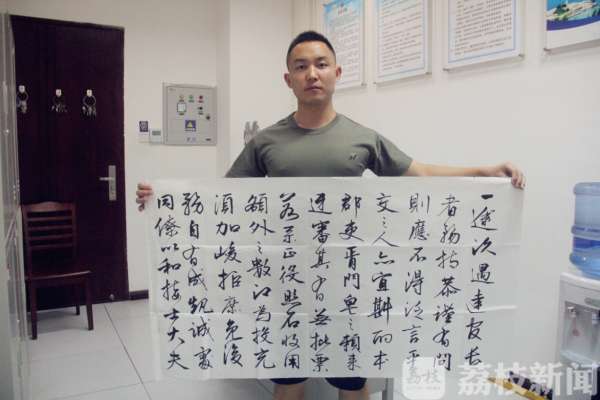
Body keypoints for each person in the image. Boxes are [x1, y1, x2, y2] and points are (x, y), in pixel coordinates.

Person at [136, 30, 525, 400]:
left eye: (321, 64)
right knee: (288, 377)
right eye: (301, 66)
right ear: (288, 80)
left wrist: (483, 171)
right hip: (285, 280)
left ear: (337, 73)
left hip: (347, 280)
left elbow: (419, 173)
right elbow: (221, 194)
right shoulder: (266, 141)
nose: (312, 73)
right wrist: (163, 200)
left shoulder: (363, 138)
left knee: (352, 379)